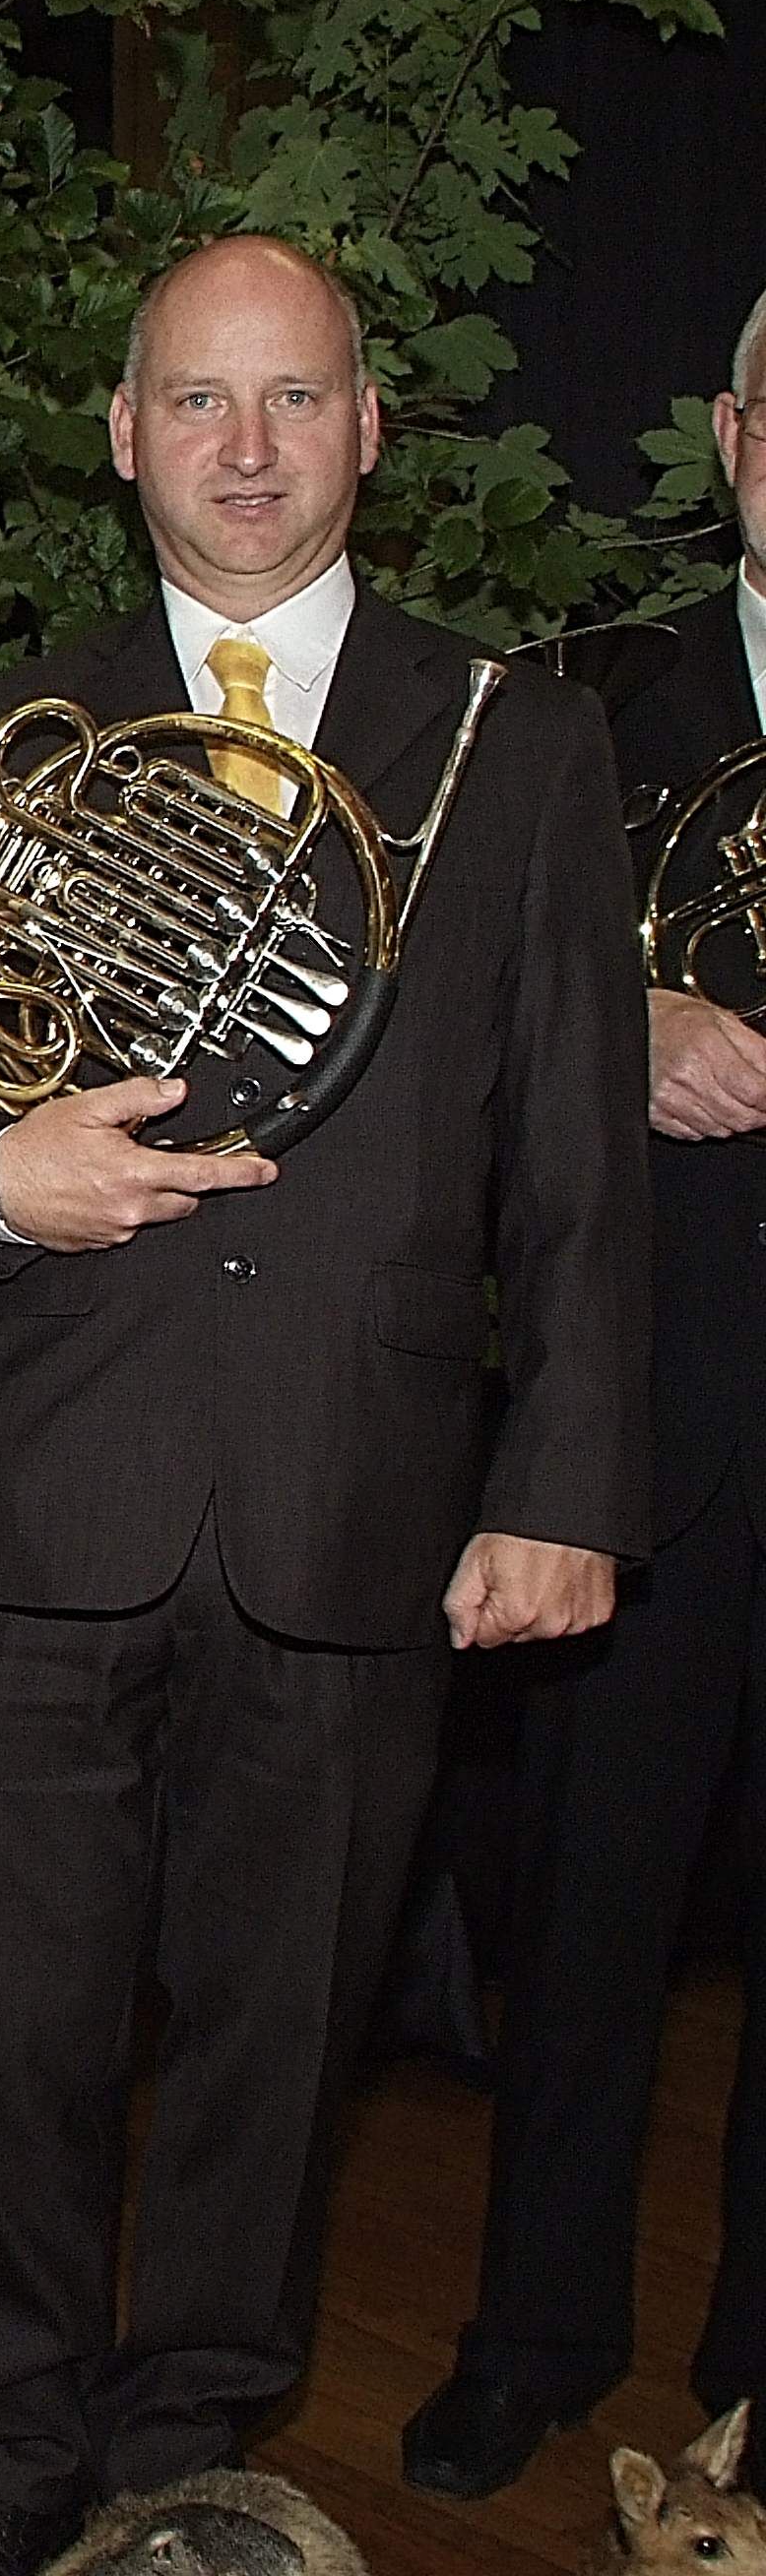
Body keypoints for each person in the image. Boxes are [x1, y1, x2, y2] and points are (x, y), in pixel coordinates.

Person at [0, 233, 650, 2576]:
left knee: (284, 2038)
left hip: (353, 1493)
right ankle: (15, 2443)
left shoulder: (516, 740)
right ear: (120, 432)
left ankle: (189, 2455)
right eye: (194, 400)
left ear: (370, 424)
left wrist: (560, 1475)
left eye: (291, 399)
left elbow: (576, 1149)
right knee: (16, 2035)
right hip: (46, 1487)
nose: (244, 448)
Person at [399, 283, 766, 2499]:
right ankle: (533, 2334)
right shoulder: (596, 707)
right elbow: (461, 1003)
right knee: (590, 1911)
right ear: (731, 440)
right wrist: (627, 1017)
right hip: (645, 1415)